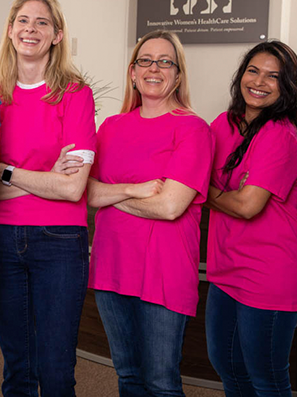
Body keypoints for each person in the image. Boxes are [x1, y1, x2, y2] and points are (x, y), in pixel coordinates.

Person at [0, 0, 96, 396]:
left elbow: (72, 187)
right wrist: (45, 177)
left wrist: (7, 173)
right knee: (17, 367)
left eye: (42, 23)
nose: (31, 29)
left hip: (59, 240)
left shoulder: (76, 95)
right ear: (10, 30)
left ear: (57, 35)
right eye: (23, 21)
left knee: (56, 367)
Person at [87, 30, 212, 396]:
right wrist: (132, 189)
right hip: (111, 267)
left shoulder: (193, 129)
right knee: (128, 375)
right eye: (145, 60)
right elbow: (87, 192)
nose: (154, 68)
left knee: (161, 382)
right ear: (132, 72)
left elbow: (170, 206)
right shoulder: (111, 127)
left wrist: (111, 195)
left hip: (163, 270)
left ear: (178, 74)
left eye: (165, 62)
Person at [205, 41, 297, 397]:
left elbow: (247, 205)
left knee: (266, 378)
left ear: (288, 86)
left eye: (273, 76)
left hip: (270, 273)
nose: (259, 82)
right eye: (253, 71)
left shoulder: (280, 134)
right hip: (226, 268)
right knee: (228, 367)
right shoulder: (224, 123)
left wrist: (201, 190)